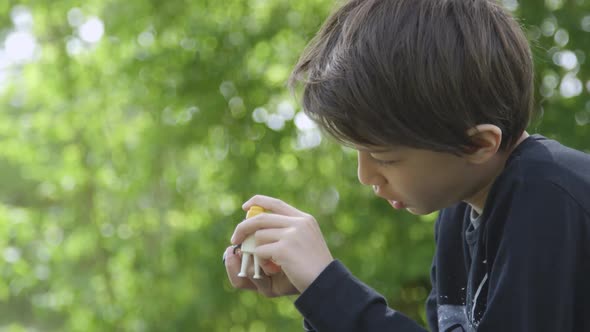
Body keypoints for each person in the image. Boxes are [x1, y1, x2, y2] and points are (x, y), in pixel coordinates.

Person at [223, 0, 590, 330]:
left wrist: (327, 287)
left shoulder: (549, 201)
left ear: (478, 144)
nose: (365, 176)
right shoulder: (459, 213)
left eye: (385, 158)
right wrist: (316, 296)